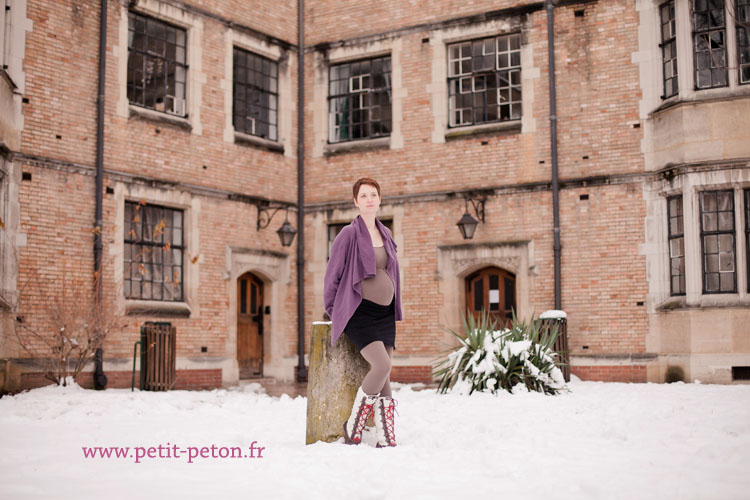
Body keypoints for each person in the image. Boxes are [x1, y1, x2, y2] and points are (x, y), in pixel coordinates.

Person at [324, 177, 402, 448]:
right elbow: (332, 274)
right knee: (381, 365)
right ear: (356, 201)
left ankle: (385, 436)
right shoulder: (348, 234)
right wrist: (334, 310)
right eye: (364, 195)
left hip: (385, 314)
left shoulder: (386, 234)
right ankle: (353, 424)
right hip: (359, 313)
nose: (369, 199)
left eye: (373, 194)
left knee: (384, 374)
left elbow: (391, 272)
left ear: (379, 200)